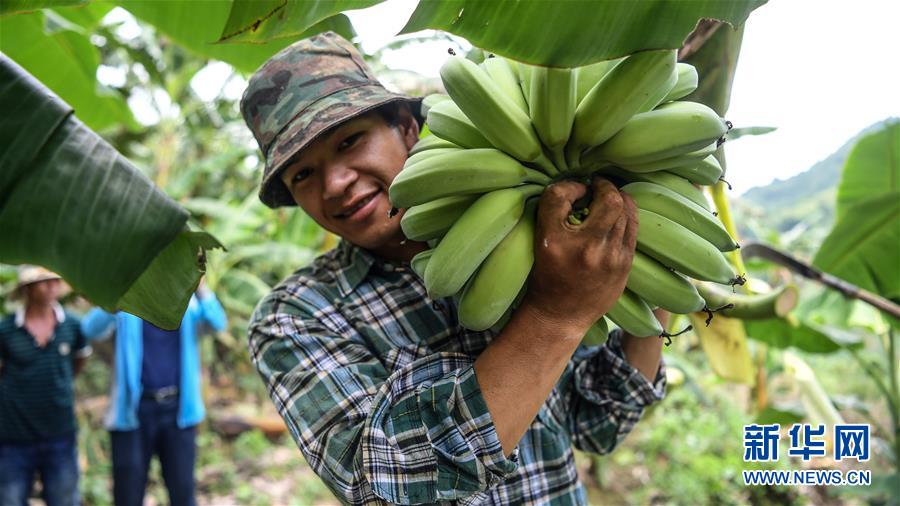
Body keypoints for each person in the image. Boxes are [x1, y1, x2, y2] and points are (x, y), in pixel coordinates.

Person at [241, 32, 668, 504]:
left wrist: (651, 262)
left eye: (349, 141)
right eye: (303, 174)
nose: (336, 183)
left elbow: (599, 424)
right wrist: (554, 316)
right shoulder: (295, 317)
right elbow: (385, 489)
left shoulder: (540, 246)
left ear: (406, 128)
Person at [80, 284, 226, 506]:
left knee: (183, 493)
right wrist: (119, 291)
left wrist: (199, 284)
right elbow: (90, 328)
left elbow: (217, 322)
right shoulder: (128, 307)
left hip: (178, 411)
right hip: (133, 412)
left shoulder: (185, 304)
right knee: (127, 495)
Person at [0, 265, 91, 506]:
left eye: (55, 280)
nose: (52, 285)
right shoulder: (6, 330)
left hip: (59, 433)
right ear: (28, 288)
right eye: (44, 281)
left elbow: (79, 361)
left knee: (64, 499)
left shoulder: (72, 325)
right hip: (14, 437)